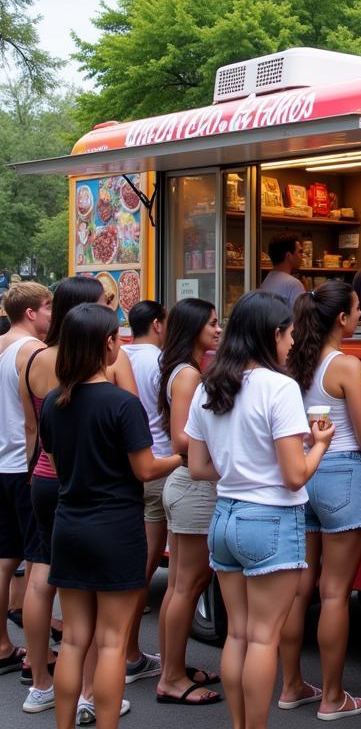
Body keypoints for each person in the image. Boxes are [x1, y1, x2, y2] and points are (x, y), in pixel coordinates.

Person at [184, 290, 333, 729]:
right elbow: (295, 475)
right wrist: (321, 446)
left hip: (225, 517)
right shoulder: (279, 387)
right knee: (266, 637)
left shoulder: (211, 385)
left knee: (239, 635)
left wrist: (238, 468)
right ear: (274, 333)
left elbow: (197, 464)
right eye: (289, 333)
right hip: (270, 518)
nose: (293, 343)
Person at [41, 302, 181, 729]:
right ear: (104, 345)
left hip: (69, 525)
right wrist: (182, 458)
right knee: (112, 641)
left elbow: (60, 469)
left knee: (76, 638)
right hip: (116, 527)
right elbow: (144, 469)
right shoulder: (121, 404)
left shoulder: (52, 402)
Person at [279, 281, 361, 719]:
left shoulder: (293, 360)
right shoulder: (346, 366)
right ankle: (333, 698)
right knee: (335, 592)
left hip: (303, 472)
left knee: (299, 590)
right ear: (342, 318)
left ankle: (291, 685)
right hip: (341, 473)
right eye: (357, 310)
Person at [20, 277, 108, 714]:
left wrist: (39, 468)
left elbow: (32, 427)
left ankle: (39, 684)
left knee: (41, 576)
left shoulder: (34, 359)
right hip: (83, 481)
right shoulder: (94, 361)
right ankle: (88, 694)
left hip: (41, 475)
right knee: (87, 590)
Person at [154, 298, 222, 705]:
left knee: (179, 584)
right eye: (211, 323)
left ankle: (171, 668)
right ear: (193, 327)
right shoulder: (189, 377)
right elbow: (181, 438)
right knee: (189, 584)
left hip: (183, 485)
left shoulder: (185, 370)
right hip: (192, 485)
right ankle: (173, 677)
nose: (218, 329)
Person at [0, 282, 50, 688]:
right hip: (23, 463)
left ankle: (2, 644)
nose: (53, 313)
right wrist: (40, 466)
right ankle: (38, 656)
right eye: (48, 306)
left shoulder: (1, 344)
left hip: (3, 460)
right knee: (36, 561)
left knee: (5, 557)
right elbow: (35, 418)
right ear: (31, 312)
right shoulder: (31, 351)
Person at [121, 300, 169, 675]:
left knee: (137, 564)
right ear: (157, 324)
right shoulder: (160, 363)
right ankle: (128, 651)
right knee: (146, 567)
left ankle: (127, 650)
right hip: (160, 464)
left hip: (129, 465)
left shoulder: (119, 356)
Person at [260, 235, 305, 308]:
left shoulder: (266, 280)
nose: (302, 256)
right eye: (300, 252)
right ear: (288, 255)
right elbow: (301, 318)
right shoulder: (294, 284)